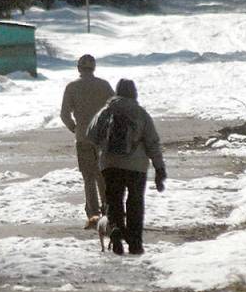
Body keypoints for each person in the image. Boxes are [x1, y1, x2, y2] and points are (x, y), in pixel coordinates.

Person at [86, 78, 166, 255]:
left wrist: (104, 147)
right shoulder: (141, 113)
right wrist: (159, 168)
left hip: (110, 165)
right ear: (134, 93)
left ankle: (116, 231)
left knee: (114, 201)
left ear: (117, 92)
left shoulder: (106, 111)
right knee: (135, 202)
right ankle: (135, 243)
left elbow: (90, 135)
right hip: (136, 167)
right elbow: (152, 142)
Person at [60, 54, 114, 229]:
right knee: (103, 176)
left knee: (88, 178)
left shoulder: (72, 87)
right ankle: (109, 212)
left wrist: (75, 128)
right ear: (94, 68)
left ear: (79, 68)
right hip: (103, 139)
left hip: (83, 138)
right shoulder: (104, 86)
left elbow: (64, 114)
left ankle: (93, 215)